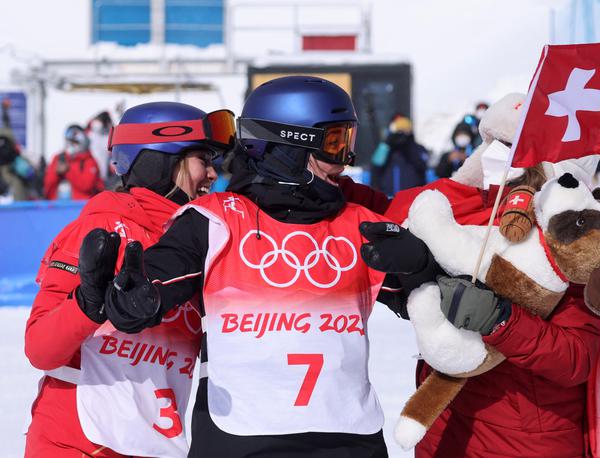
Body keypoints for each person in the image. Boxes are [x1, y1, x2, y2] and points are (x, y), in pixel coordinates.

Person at [79, 76, 391, 457]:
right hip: (242, 438)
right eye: (334, 144)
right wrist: (134, 297)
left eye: (348, 142)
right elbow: (159, 278)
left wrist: (425, 268)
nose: (346, 160)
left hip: (348, 439)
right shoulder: (216, 220)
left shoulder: (359, 222)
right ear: (290, 147)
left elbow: (431, 304)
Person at [361, 94, 600, 458]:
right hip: (445, 432)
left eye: (510, 147)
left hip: (525, 441)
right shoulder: (459, 206)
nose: (493, 154)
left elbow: (574, 360)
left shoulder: (569, 234)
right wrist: (411, 276)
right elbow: (370, 215)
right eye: (491, 142)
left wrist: (501, 320)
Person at [24, 101, 235, 457]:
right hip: (76, 444)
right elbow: (40, 348)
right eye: (203, 160)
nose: (213, 175)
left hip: (155, 444)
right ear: (160, 161)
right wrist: (88, 305)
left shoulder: (205, 239)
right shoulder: (99, 231)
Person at [370, 114, 429, 197]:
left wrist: (408, 142)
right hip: (388, 197)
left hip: (412, 198)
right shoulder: (387, 148)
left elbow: (422, 165)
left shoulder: (417, 148)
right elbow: (376, 164)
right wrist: (388, 142)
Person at [44, 125, 105, 200]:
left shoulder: (89, 161)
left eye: (76, 142)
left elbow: (87, 186)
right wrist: (56, 173)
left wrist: (68, 171)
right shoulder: (59, 158)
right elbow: (48, 187)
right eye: (71, 141)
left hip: (82, 206)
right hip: (58, 207)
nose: (73, 145)